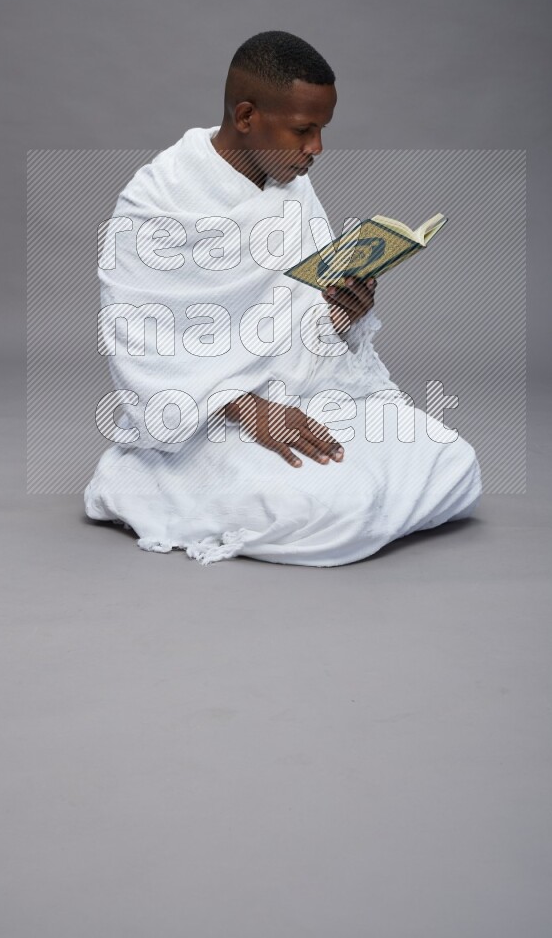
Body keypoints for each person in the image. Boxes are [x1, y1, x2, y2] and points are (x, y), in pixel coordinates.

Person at [84, 31, 482, 565]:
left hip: (299, 391)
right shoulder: (156, 202)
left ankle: (332, 481)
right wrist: (247, 407)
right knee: (338, 510)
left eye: (321, 131)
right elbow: (138, 342)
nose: (316, 149)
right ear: (247, 117)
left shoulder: (288, 182)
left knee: (452, 461)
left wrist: (343, 314)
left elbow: (297, 317)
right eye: (303, 130)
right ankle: (138, 476)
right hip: (204, 417)